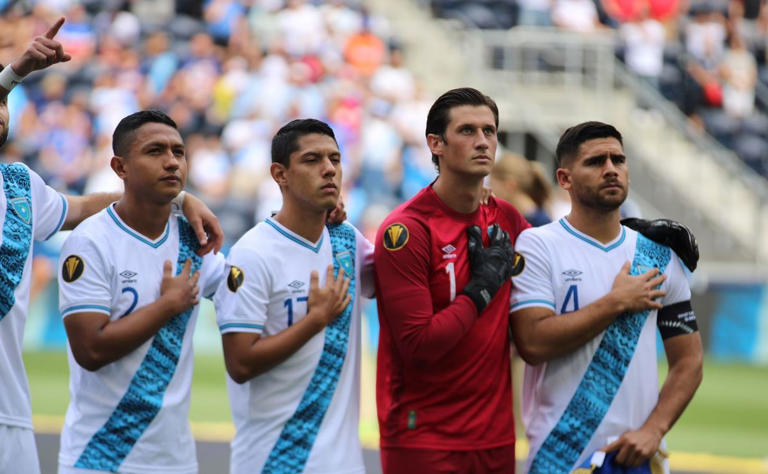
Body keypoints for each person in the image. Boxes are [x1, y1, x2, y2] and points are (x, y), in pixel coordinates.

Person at [0, 20, 222, 474]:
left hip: (10, 418)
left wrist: (177, 197)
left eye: (2, 101)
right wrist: (12, 75)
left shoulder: (20, 190)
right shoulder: (90, 246)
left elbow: (86, 204)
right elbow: (92, 349)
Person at [509, 121, 703, 473]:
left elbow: (689, 362)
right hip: (560, 456)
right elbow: (532, 344)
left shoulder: (659, 256)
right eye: (596, 161)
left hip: (638, 457)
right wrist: (615, 303)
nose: (611, 169)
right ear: (565, 179)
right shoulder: (538, 246)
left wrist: (654, 430)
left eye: (619, 159)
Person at [56, 110, 227, 473]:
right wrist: (167, 306)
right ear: (120, 167)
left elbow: (247, 288)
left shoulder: (191, 239)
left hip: (176, 461)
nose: (171, 162)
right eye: (154, 152)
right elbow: (90, 349)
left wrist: (312, 219)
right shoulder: (91, 241)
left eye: (178, 152)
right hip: (99, 457)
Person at [373, 87, 530, 473]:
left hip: (494, 438)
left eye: (490, 132)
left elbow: (563, 255)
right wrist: (481, 290)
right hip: (423, 437)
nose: (482, 142)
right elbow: (419, 344)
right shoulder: (406, 230)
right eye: (467, 131)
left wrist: (635, 233)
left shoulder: (506, 218)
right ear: (436, 144)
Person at [214, 118, 375, 474]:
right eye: (312, 159)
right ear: (280, 174)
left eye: (335, 159)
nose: (329, 169)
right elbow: (240, 363)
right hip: (275, 462)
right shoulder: (253, 253)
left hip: (345, 465)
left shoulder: (346, 240)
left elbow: (398, 277)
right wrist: (315, 320)